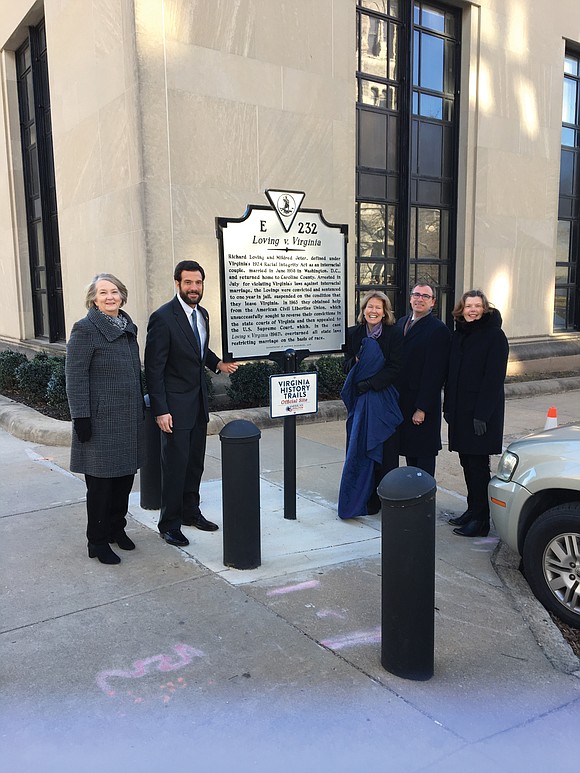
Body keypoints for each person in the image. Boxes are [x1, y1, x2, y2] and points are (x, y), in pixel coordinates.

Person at [145, 260, 238, 547]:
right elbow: (153, 368)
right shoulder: (162, 318)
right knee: (175, 466)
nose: (194, 288)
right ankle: (169, 524)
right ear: (177, 284)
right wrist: (161, 409)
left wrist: (217, 363)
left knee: (194, 463)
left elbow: (198, 348)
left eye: (198, 283)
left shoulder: (202, 314)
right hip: (173, 407)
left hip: (198, 403)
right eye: (188, 282)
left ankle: (190, 512)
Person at [66, 273, 144, 565]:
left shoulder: (128, 327)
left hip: (128, 419)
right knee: (100, 487)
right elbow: (74, 376)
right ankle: (96, 542)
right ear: (93, 299)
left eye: (114, 291)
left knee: (124, 480)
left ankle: (116, 529)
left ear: (122, 295)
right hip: (99, 422)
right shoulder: (85, 329)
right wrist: (81, 417)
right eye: (103, 293)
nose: (110, 297)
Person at [443, 289, 509, 537]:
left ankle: (482, 520)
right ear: (462, 309)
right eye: (468, 306)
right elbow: (452, 376)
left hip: (481, 415)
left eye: (477, 306)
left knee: (479, 466)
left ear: (484, 309)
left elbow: (493, 379)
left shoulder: (494, 336)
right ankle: (472, 510)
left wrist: (482, 414)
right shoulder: (459, 334)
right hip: (460, 412)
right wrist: (448, 406)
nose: (472, 310)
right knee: (466, 463)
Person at [338, 291, 403, 519]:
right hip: (359, 400)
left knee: (383, 448)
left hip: (383, 399)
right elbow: (345, 364)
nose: (373, 311)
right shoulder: (352, 334)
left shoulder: (394, 334)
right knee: (359, 444)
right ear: (363, 309)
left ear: (385, 312)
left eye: (378, 307)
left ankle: (382, 496)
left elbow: (396, 367)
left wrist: (371, 384)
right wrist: (355, 362)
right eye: (369, 307)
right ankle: (363, 495)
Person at [395, 282, 451, 477]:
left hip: (422, 404)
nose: (420, 299)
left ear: (433, 302)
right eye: (416, 295)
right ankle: (411, 498)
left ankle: (424, 499)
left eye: (425, 296)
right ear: (410, 298)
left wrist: (422, 408)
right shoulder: (401, 323)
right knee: (410, 452)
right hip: (403, 400)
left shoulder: (438, 330)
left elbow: (435, 373)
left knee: (423, 456)